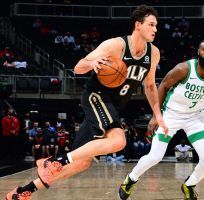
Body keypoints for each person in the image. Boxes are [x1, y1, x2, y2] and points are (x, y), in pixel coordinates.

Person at [6, 4, 167, 200]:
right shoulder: (116, 45)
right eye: (151, 24)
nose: (155, 29)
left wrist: (158, 115)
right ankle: (54, 161)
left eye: (156, 25)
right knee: (118, 140)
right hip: (96, 96)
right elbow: (78, 67)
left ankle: (23, 192)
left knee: (81, 162)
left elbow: (149, 86)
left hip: (112, 106)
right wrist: (92, 63)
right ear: (138, 25)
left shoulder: (154, 53)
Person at [118, 38, 204, 200]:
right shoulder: (184, 69)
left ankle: (188, 185)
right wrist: (156, 115)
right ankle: (130, 180)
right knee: (155, 156)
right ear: (198, 51)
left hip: (196, 118)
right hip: (170, 115)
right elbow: (163, 86)